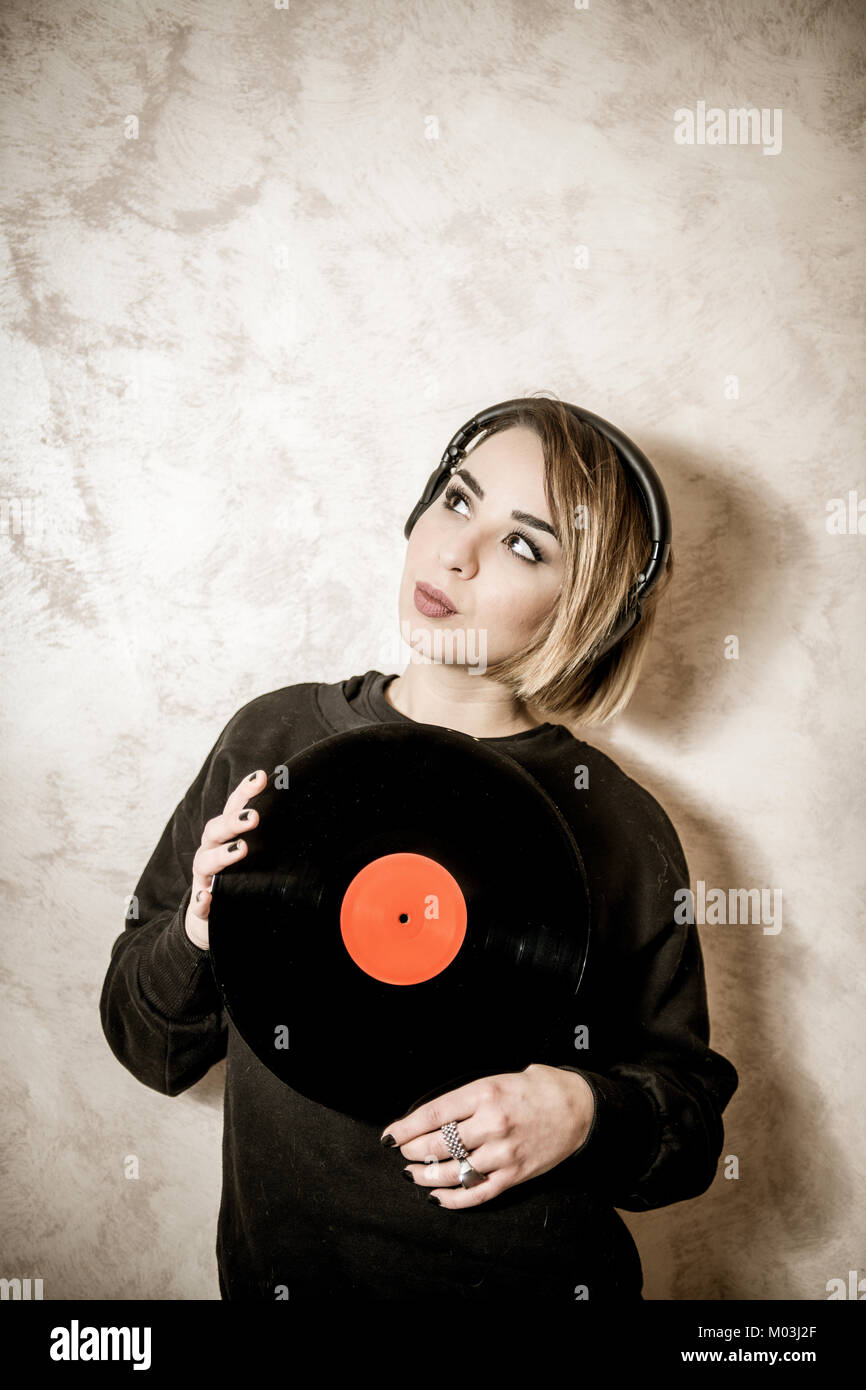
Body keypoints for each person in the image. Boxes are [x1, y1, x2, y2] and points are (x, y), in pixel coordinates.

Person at [100, 395, 738, 1300]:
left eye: (525, 544)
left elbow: (688, 1134)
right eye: (456, 497)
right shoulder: (272, 738)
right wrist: (199, 932)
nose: (453, 552)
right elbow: (148, 1047)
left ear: (586, 608)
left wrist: (589, 1112)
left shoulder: (622, 822)